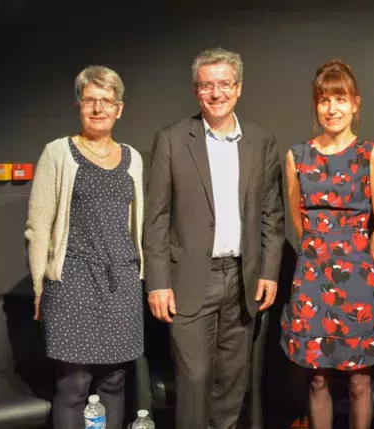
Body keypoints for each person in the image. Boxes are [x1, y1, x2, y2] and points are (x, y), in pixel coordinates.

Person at [143, 47, 285, 429]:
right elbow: (154, 217)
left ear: (238, 88)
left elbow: (273, 215)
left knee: (232, 383)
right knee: (193, 380)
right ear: (195, 91)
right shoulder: (171, 140)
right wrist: (157, 283)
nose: (216, 93)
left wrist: (269, 272)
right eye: (207, 85)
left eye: (224, 84)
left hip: (244, 280)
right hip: (189, 282)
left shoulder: (261, 141)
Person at [279, 59, 374, 429]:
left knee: (360, 380)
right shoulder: (296, 157)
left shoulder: (371, 155)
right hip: (312, 278)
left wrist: (363, 263)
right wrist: (318, 257)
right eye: (324, 99)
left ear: (356, 103)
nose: (332, 108)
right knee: (316, 379)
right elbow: (299, 222)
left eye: (340, 98)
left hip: (357, 281)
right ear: (315, 105)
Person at [26, 65, 144, 429]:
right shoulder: (58, 153)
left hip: (121, 283)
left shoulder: (132, 157)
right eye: (89, 100)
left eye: (106, 101)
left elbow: (134, 225)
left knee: (114, 380)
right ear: (78, 106)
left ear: (119, 108)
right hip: (72, 282)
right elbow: (38, 227)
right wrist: (38, 286)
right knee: (74, 385)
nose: (98, 108)